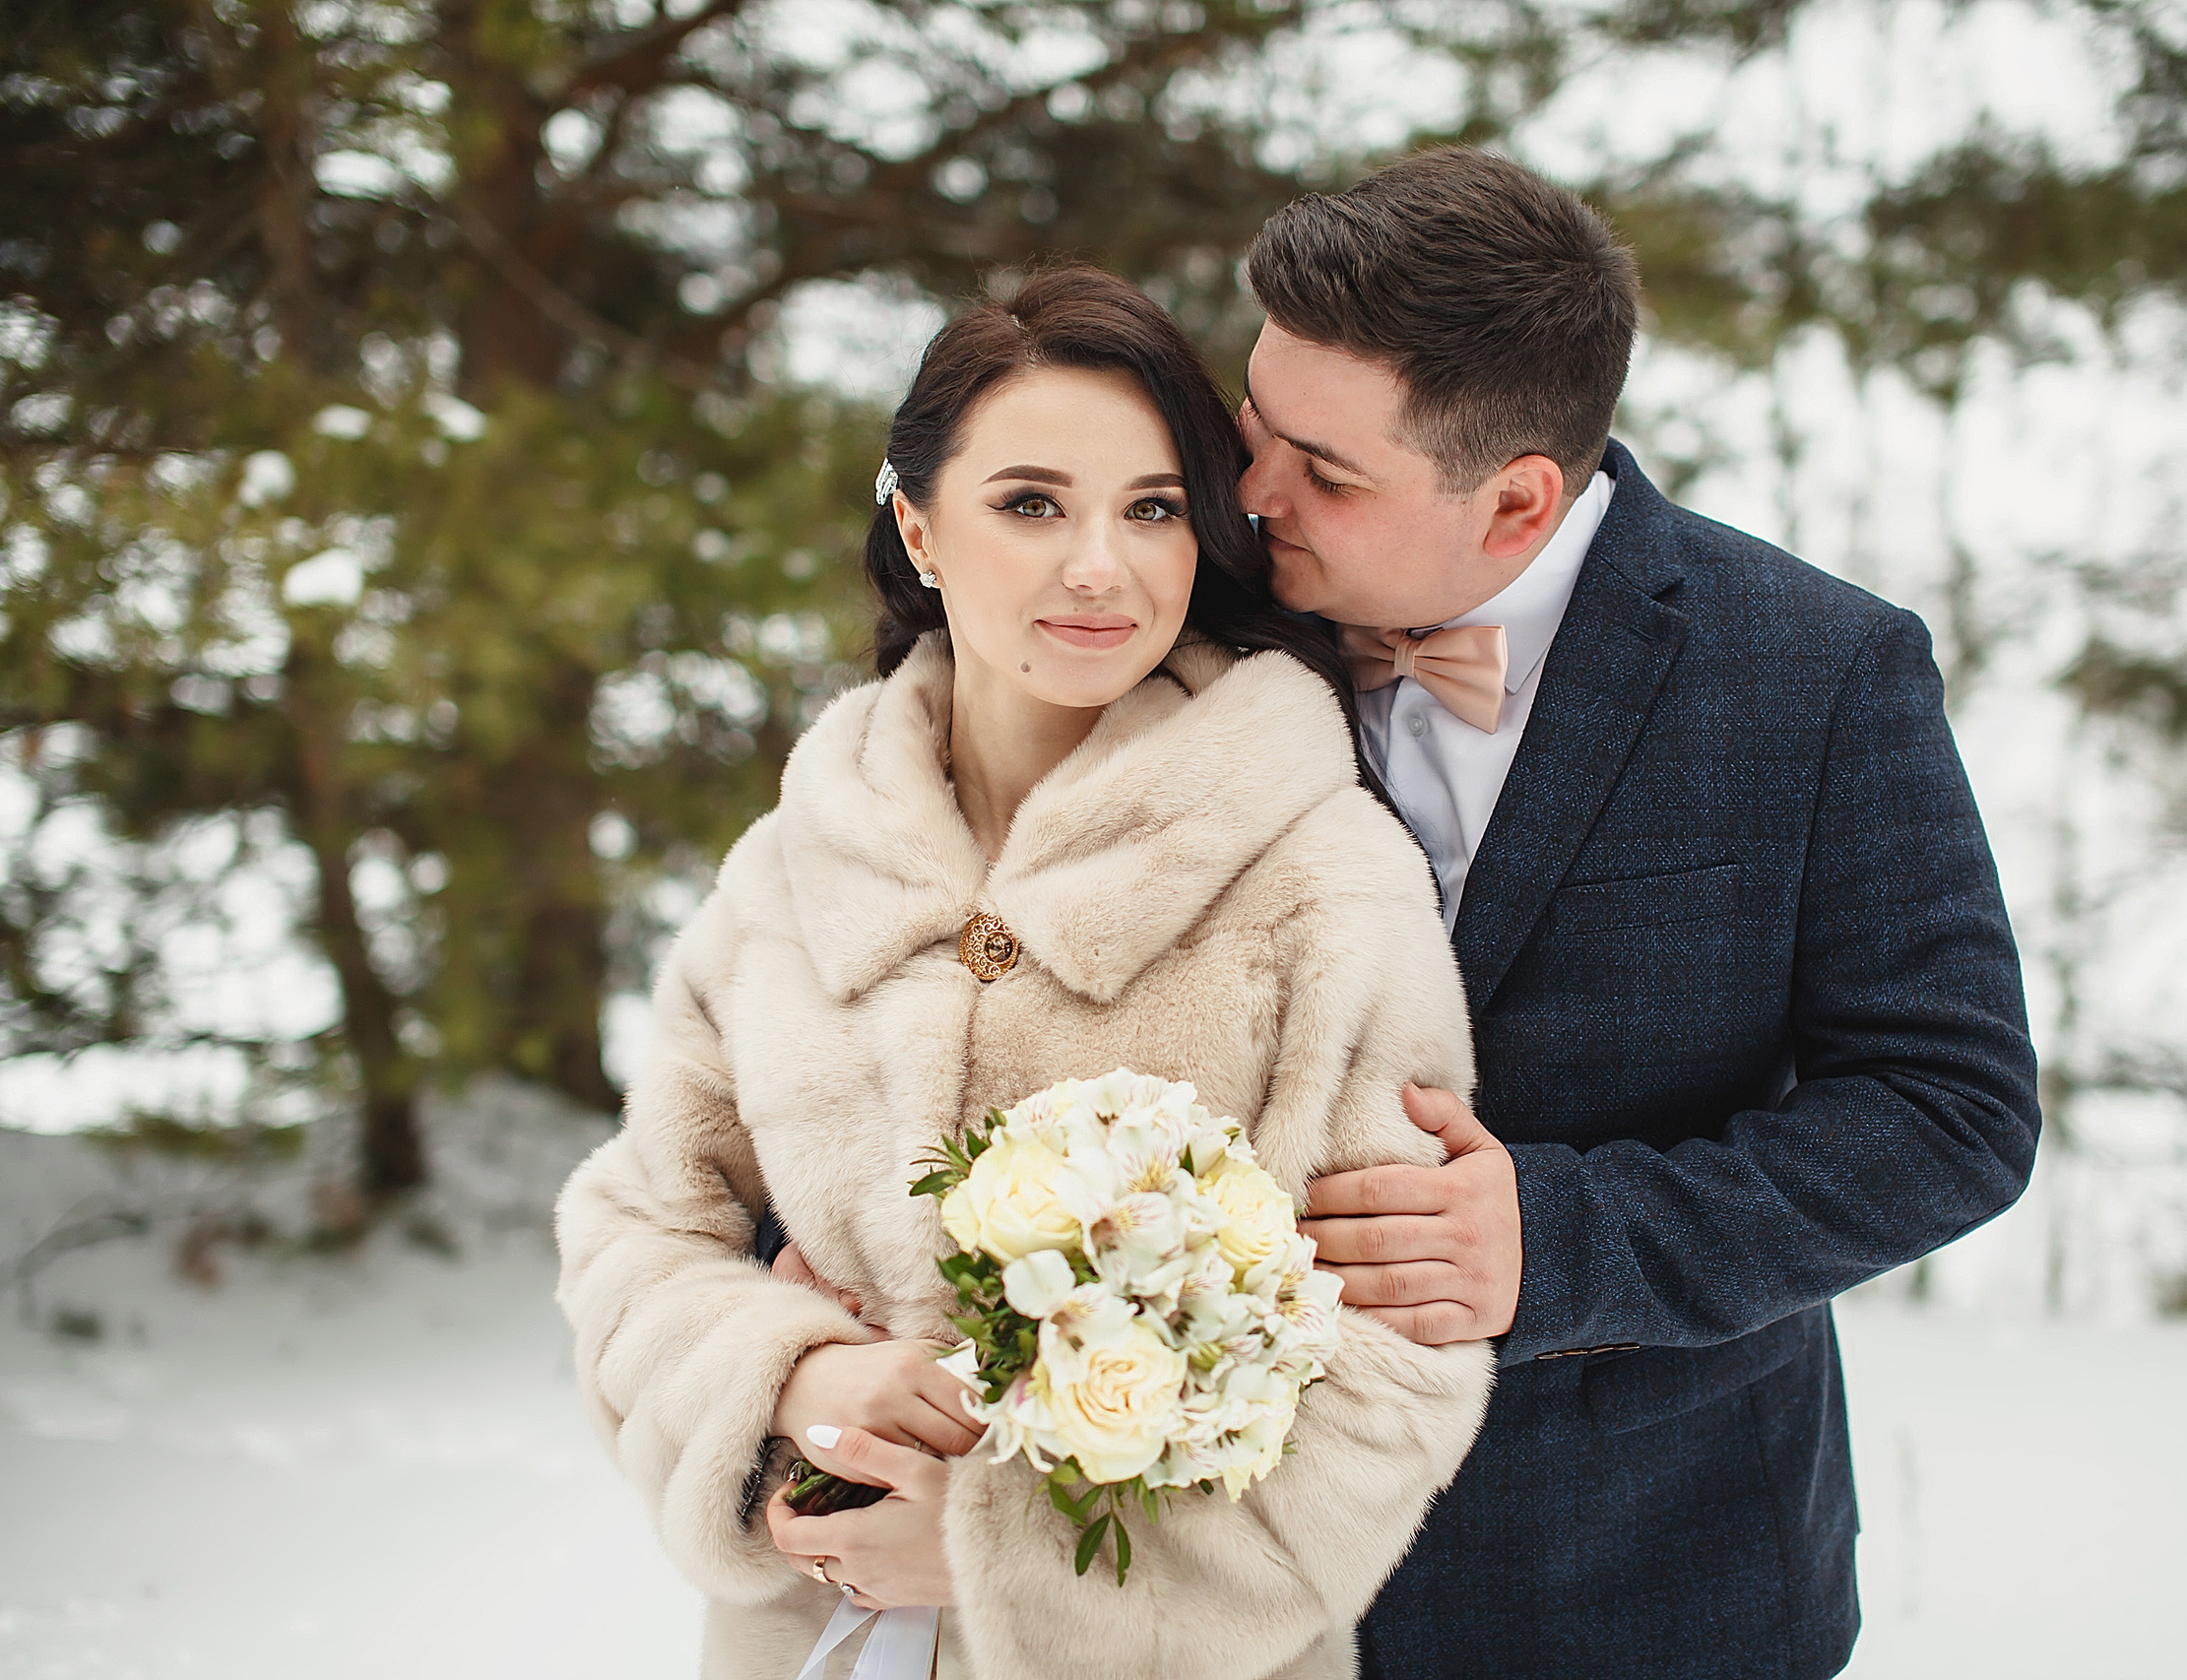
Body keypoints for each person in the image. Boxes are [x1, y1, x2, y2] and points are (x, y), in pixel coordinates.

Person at [552, 268, 1491, 1680]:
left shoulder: (1322, 881)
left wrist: (1018, 1552)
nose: (1100, 567)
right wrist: (795, 1384)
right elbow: (634, 1231)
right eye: (1032, 503)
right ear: (920, 527)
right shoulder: (794, 867)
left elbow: (1393, 1360)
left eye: (1154, 506)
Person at [1233, 150, 2042, 1677]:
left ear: (1519, 496)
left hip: (1649, 1580)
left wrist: (1562, 1241)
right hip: (1223, 1581)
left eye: (1326, 471)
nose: (1253, 493)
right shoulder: (1187, 616)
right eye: (1255, 426)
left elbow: (1953, 1112)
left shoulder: (1818, 671)